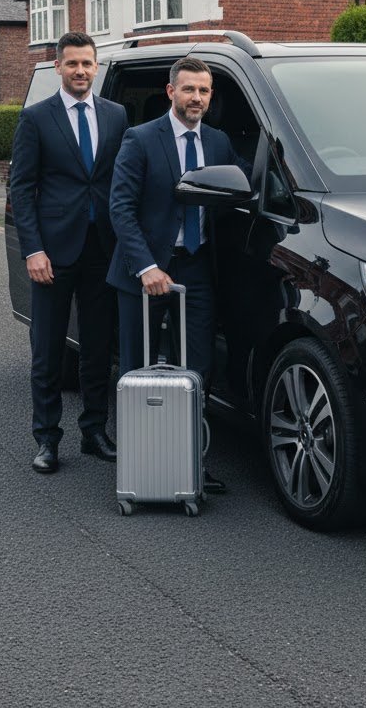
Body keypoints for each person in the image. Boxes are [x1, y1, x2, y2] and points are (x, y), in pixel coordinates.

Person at [106, 56, 248, 494]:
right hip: (145, 270)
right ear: (171, 92)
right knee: (137, 369)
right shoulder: (141, 138)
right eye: (189, 90)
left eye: (204, 91)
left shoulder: (220, 143)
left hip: (196, 267)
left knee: (198, 368)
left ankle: (189, 464)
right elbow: (121, 209)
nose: (197, 98)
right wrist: (147, 266)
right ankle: (140, 467)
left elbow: (242, 186)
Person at [10, 31, 128, 474]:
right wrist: (33, 250)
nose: (81, 70)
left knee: (98, 347)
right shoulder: (37, 118)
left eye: (87, 64)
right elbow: (21, 189)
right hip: (53, 253)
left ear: (96, 68)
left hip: (103, 250)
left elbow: (122, 179)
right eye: (73, 63)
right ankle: (46, 438)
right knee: (47, 348)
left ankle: (95, 431)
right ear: (58, 67)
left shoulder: (117, 116)